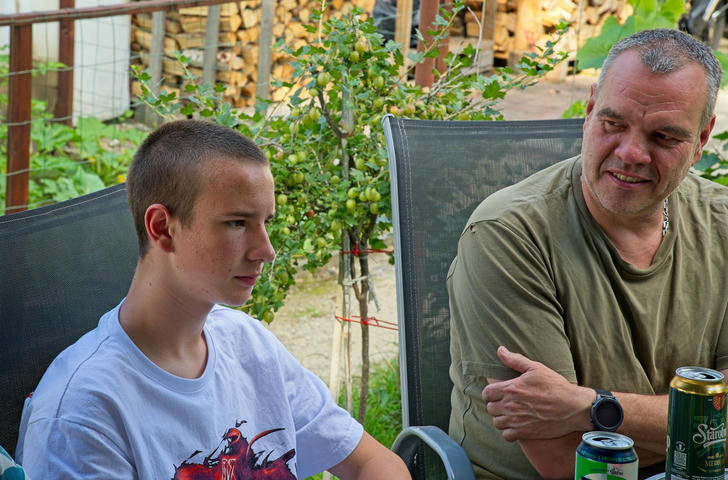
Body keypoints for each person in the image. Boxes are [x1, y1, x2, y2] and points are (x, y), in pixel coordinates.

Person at [15, 120, 410, 479]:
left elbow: (372, 462)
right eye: (237, 223)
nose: (266, 251)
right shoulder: (83, 415)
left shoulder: (248, 344)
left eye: (265, 222)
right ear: (163, 228)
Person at [447, 28, 728, 479]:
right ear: (590, 109)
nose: (631, 153)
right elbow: (567, 460)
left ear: (702, 139)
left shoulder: (722, 222)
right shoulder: (508, 236)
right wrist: (703, 430)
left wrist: (589, 407)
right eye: (613, 124)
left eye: (663, 137)